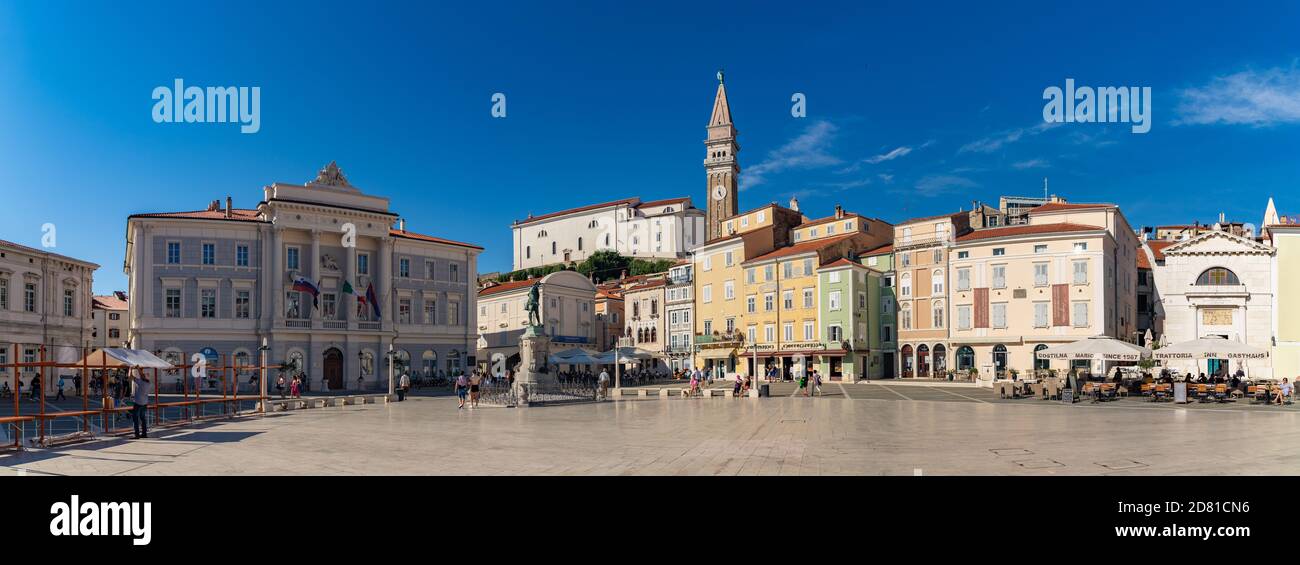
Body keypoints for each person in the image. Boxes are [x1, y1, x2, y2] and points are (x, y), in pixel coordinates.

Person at [129, 369, 151, 439]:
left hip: (138, 402)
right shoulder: (148, 383)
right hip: (144, 403)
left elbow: (130, 376)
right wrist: (139, 369)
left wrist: (130, 368)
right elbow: (142, 375)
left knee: (135, 418)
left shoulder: (140, 382)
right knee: (143, 418)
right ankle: (144, 433)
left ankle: (137, 434)